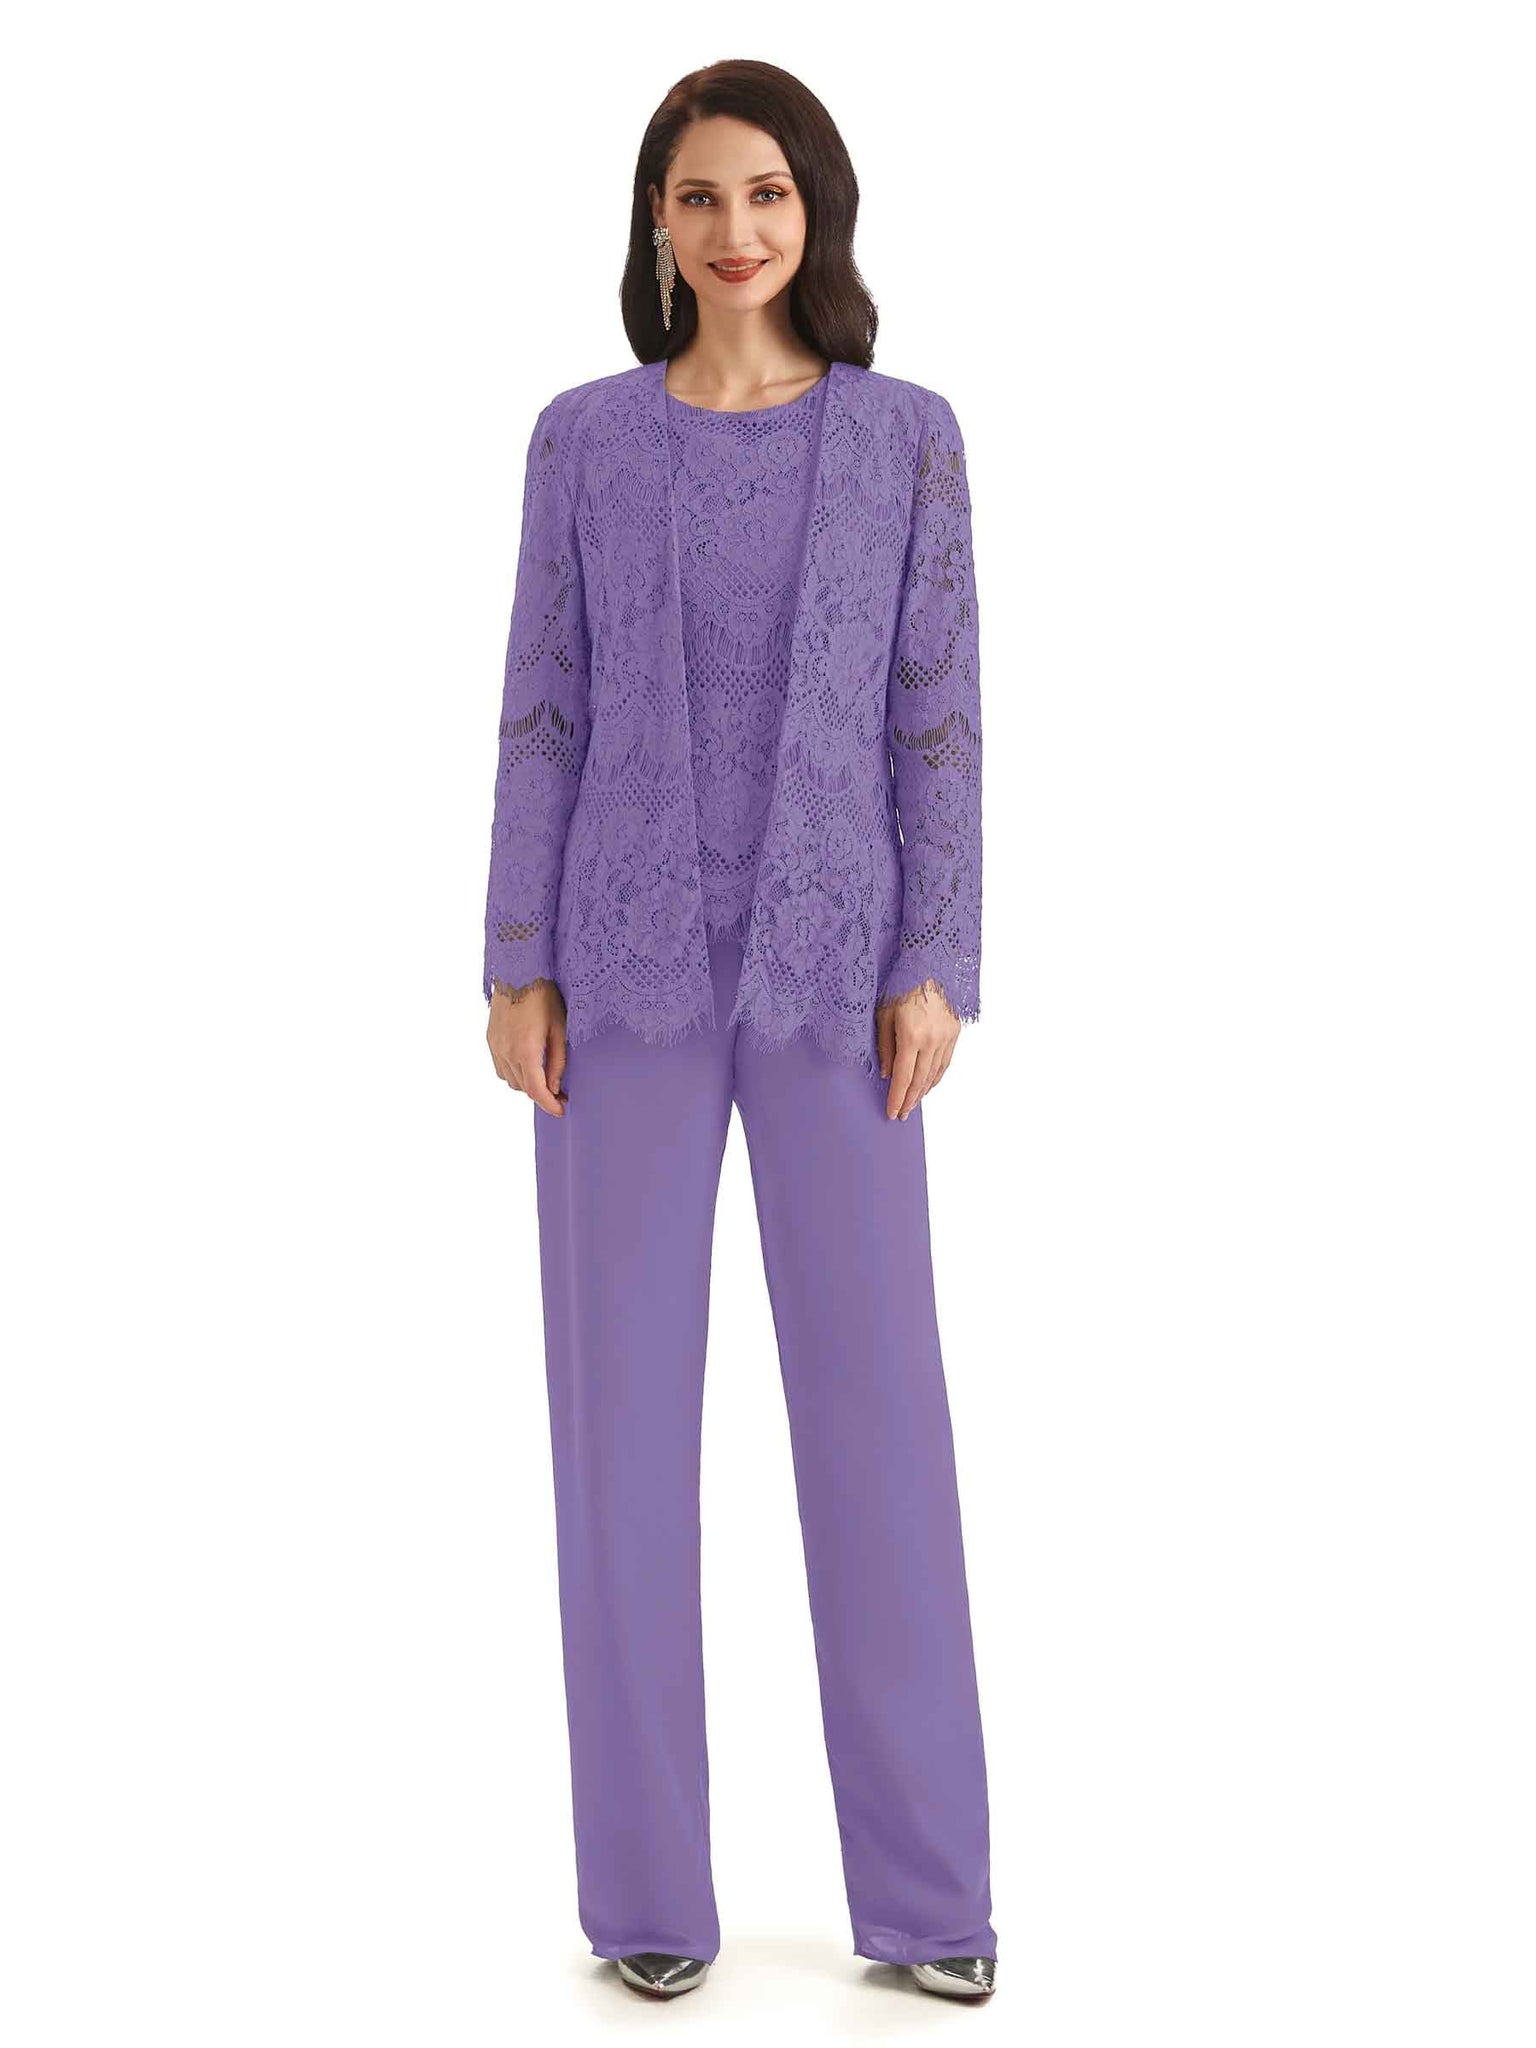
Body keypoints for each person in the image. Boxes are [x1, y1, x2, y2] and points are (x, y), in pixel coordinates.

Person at [482, 59, 995, 2003]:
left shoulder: (906, 442)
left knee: (881, 1427)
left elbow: (938, 713)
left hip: (839, 977)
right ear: (657, 223)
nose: (735, 231)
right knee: (617, 1435)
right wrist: (512, 955)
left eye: (765, 194)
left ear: (816, 209)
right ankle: (646, 1898)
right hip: (613, 980)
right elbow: (540, 699)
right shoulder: (583, 443)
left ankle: (932, 1900)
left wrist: (938, 951)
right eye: (699, 198)